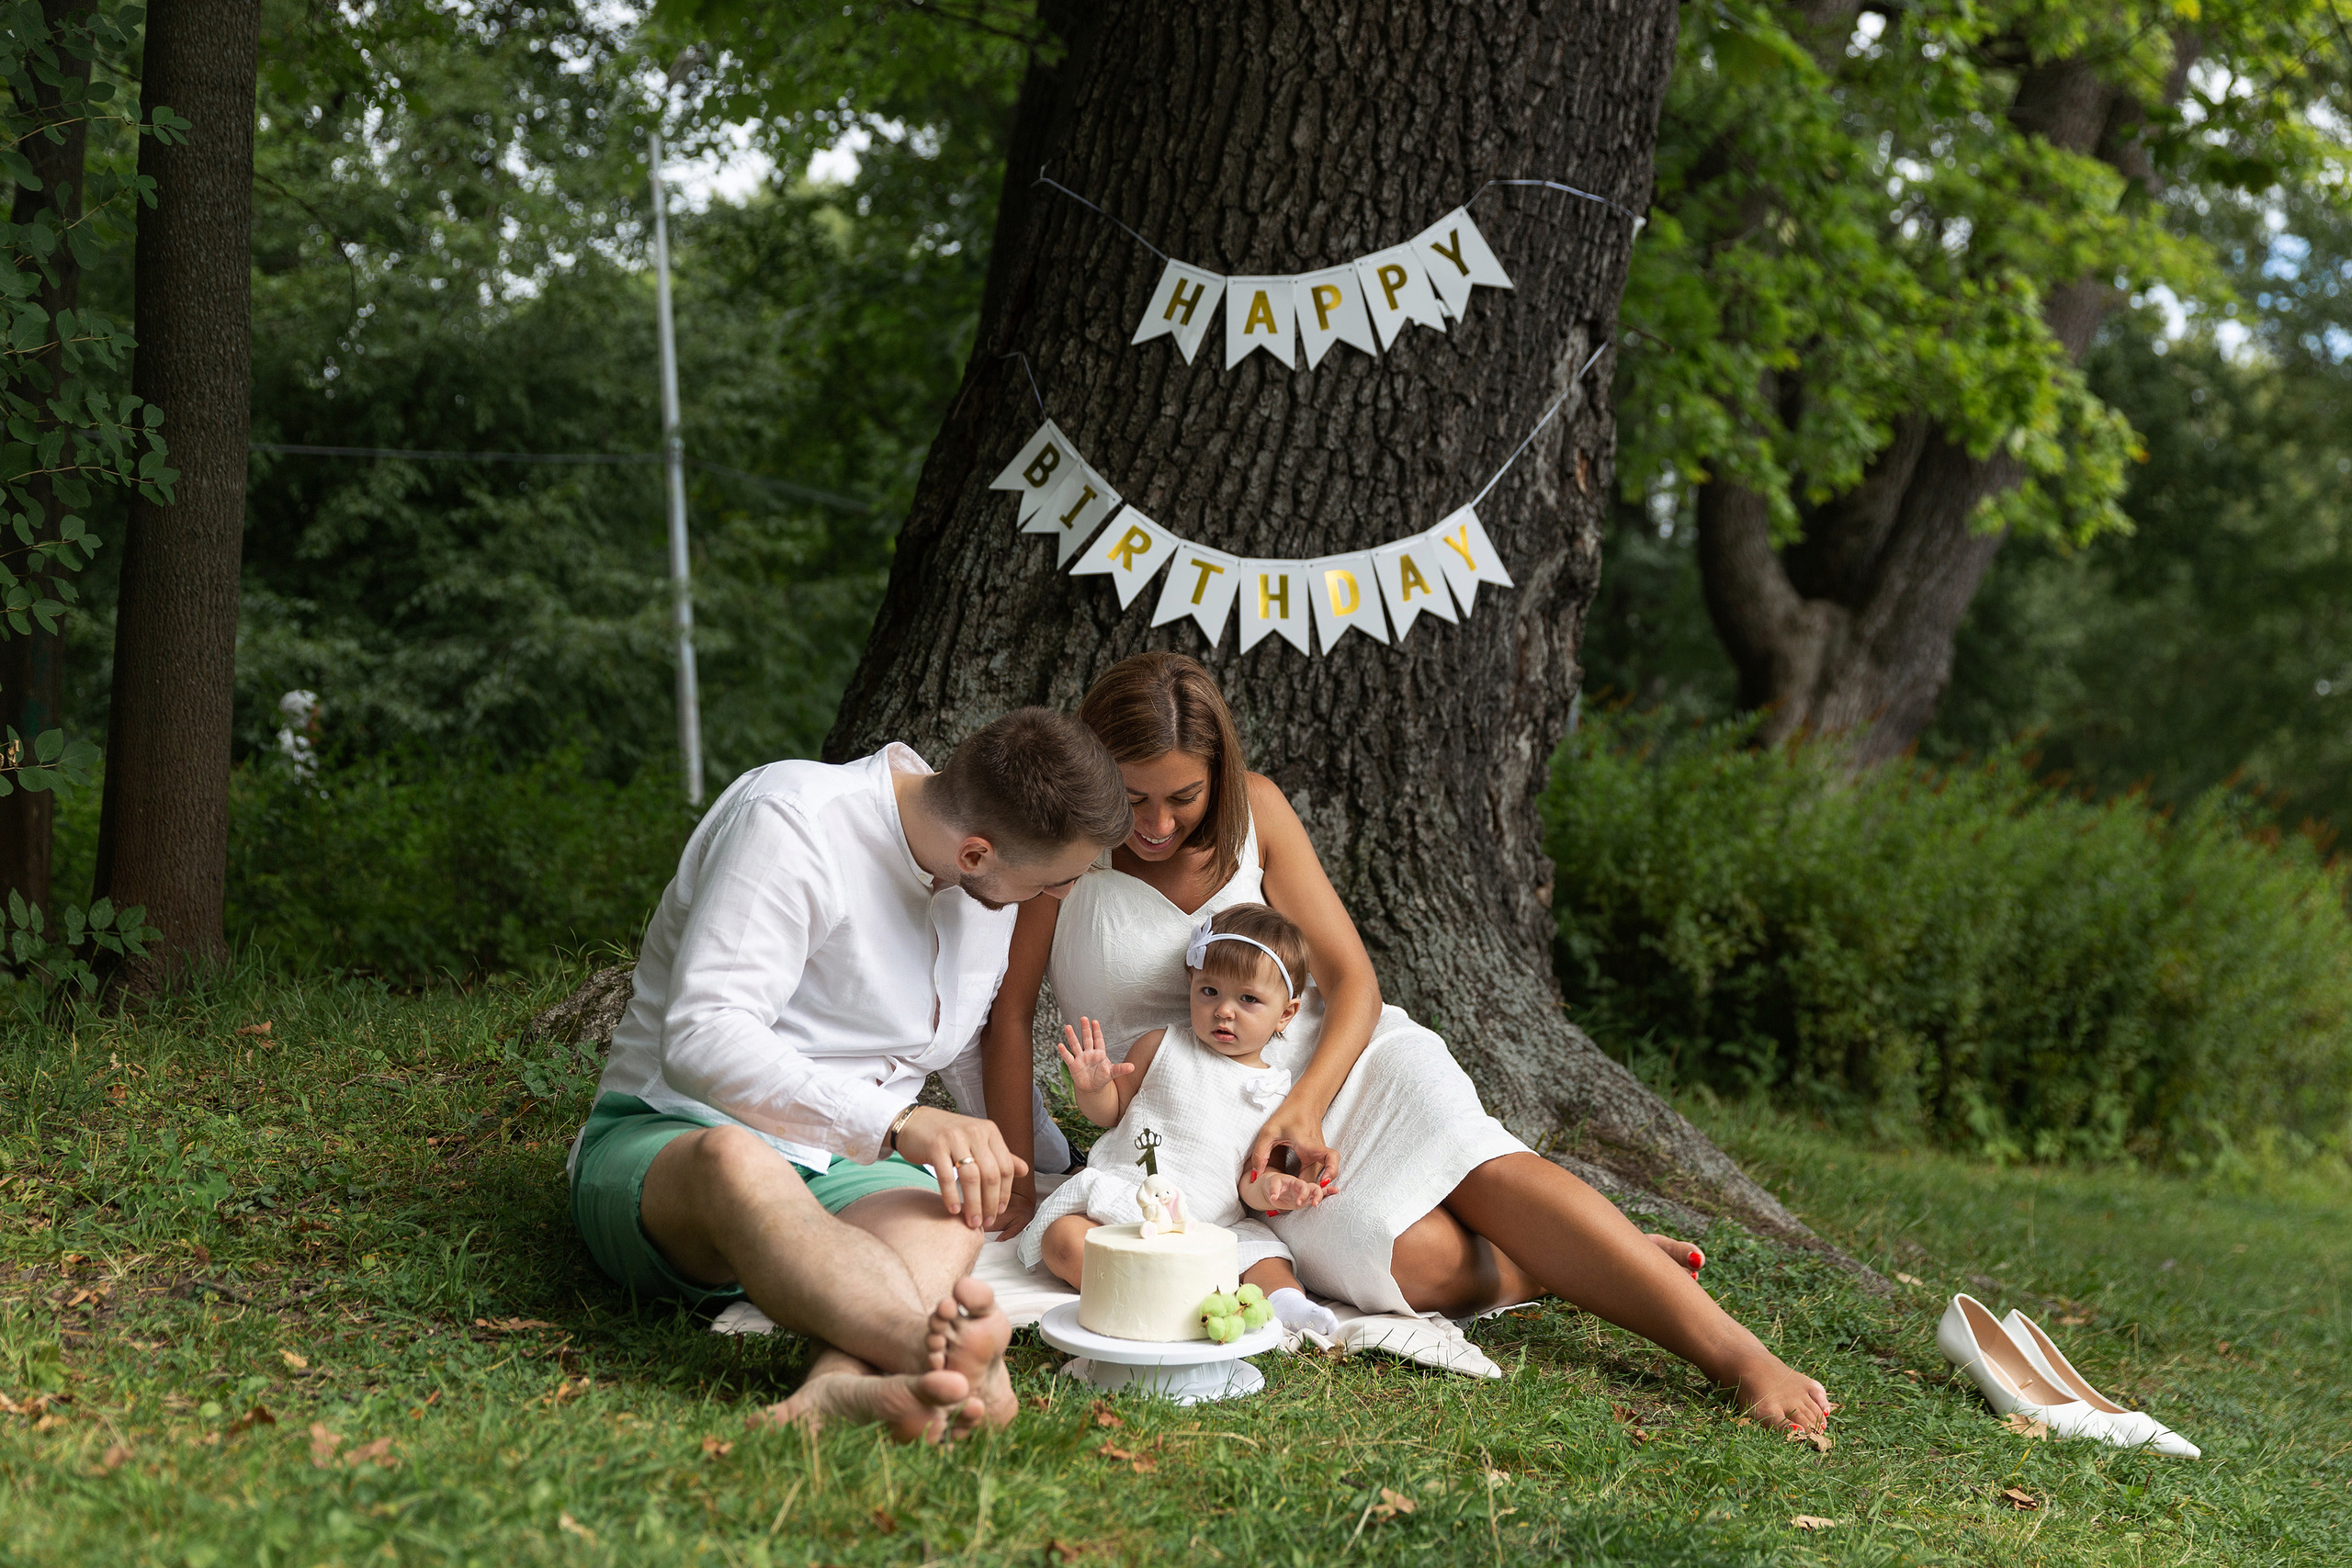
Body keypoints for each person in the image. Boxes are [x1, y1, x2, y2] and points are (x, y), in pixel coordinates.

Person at [976, 653, 1831, 1431]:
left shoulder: (1259, 813)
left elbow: (1353, 980)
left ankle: (1737, 1354)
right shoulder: (1067, 846)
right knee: (1410, 1260)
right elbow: (1009, 1015)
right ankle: (1579, 1258)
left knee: (1482, 1165)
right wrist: (1017, 1172)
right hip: (1200, 1125)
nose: (1155, 823)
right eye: (1132, 797)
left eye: (1182, 796)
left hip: (1336, 1062)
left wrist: (1307, 1108)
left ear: (1220, 778)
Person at [565, 708, 1131, 1443]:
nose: (1057, 896)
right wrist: (897, 1124)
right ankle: (932, 1349)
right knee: (738, 1160)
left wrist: (1039, 1161)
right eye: (1053, 882)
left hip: (847, 1170)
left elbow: (956, 1044)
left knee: (953, 1208)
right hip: (677, 1137)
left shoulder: (990, 887)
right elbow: (702, 1035)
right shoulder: (792, 822)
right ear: (975, 854)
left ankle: (836, 1387)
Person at [1015, 904, 1340, 1338]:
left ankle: (1287, 1305)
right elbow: (1111, 1113)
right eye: (1209, 992)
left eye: (1248, 999)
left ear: (1285, 1013)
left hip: (1212, 1225)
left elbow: (1252, 1182)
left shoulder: (1279, 1096)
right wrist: (1093, 1089)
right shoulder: (1161, 1045)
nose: (1224, 1011)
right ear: (1191, 984)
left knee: (1267, 1259)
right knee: (1064, 1241)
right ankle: (1173, 1299)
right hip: (1128, 1205)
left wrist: (1276, 1190)